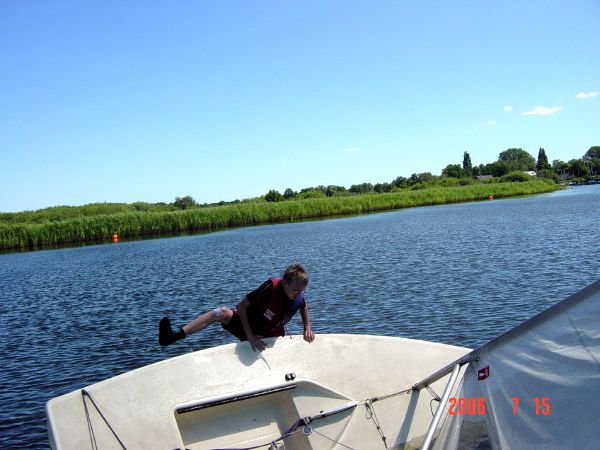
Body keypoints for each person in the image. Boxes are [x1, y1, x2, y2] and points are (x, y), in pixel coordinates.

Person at [158, 263, 315, 352]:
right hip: (248, 328)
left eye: (301, 291)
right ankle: (174, 336)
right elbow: (241, 306)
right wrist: (250, 337)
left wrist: (307, 327)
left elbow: (303, 306)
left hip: (269, 336)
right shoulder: (271, 287)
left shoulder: (297, 294)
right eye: (295, 290)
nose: (298, 294)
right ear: (284, 283)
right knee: (221, 312)